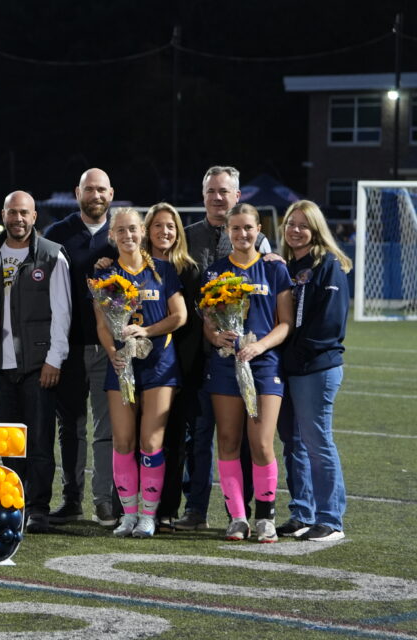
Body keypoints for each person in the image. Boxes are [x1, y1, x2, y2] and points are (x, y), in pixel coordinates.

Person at [176, 166, 271, 531]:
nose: (218, 197)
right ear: (203, 196)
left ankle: (242, 512)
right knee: (198, 436)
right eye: (211, 191)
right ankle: (195, 510)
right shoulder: (188, 237)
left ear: (237, 196)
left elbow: (270, 279)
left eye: (224, 191)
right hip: (197, 354)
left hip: (245, 358)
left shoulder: (257, 243)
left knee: (245, 439)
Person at [0, 191, 71, 535]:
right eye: (12, 212)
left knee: (40, 439)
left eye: (24, 213)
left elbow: (62, 312)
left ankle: (39, 507)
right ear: (4, 213)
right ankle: (14, 502)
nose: (18, 218)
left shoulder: (51, 255)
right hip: (2, 365)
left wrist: (53, 359)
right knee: (9, 441)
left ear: (34, 217)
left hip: (38, 363)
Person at [92, 208, 186, 538]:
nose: (128, 235)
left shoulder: (162, 270)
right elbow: (102, 325)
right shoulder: (105, 276)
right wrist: (113, 354)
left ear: (142, 232)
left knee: (151, 441)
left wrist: (146, 332)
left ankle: (148, 515)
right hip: (121, 365)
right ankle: (128, 515)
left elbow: (180, 316)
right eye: (121, 230)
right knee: (123, 440)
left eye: (133, 229)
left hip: (159, 365)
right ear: (112, 235)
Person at [203, 203, 293, 543]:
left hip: (264, 364)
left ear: (259, 230)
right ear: (228, 232)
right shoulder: (215, 272)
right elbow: (208, 327)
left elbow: (285, 323)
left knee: (261, 443)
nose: (242, 234)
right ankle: (237, 518)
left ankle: (265, 518)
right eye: (236, 229)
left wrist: (260, 347)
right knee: (227, 441)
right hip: (225, 365)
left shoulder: (274, 270)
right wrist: (217, 336)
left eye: (248, 228)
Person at [43, 168, 120, 526]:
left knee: (107, 427)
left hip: (109, 347)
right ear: (77, 193)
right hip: (69, 347)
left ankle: (105, 499)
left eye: (102, 189)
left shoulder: (122, 234)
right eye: (90, 189)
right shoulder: (57, 234)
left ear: (111, 193)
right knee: (70, 427)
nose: (96, 195)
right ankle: (71, 499)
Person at [275, 200, 350, 542]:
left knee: (317, 441)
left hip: (314, 368)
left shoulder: (328, 265)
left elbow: (329, 323)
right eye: (291, 223)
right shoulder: (287, 266)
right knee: (294, 444)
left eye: (304, 225)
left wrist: (296, 353)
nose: (296, 229)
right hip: (289, 368)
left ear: (316, 229)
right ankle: (301, 513)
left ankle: (330, 519)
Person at [142, 203, 202, 531]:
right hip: (138, 366)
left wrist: (182, 371)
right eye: (159, 226)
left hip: (175, 369)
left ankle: (165, 509)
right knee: (137, 438)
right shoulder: (131, 266)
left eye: (171, 227)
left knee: (174, 439)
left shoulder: (188, 270)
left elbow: (189, 327)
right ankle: (130, 507)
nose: (165, 232)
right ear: (147, 230)